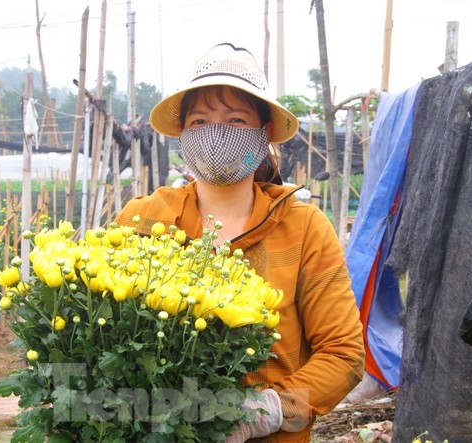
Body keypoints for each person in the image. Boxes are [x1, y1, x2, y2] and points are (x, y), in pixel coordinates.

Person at [114, 42, 365, 443]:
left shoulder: (304, 228)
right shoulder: (144, 219)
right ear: (182, 134)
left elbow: (344, 356)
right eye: (199, 121)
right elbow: (108, 339)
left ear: (263, 134)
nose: (215, 134)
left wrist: (269, 410)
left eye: (235, 119)